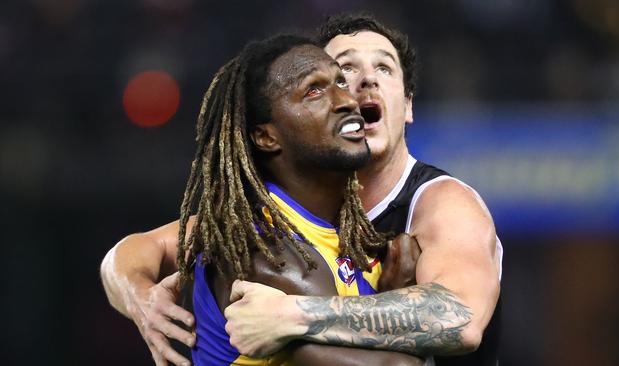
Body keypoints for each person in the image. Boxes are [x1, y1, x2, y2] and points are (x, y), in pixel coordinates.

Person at [101, 12, 502, 366]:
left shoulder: (438, 202)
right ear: (269, 133)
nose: (360, 85)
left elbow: (460, 318)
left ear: (409, 104)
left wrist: (296, 315)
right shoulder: (264, 234)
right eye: (342, 72)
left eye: (384, 68)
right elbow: (133, 252)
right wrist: (140, 296)